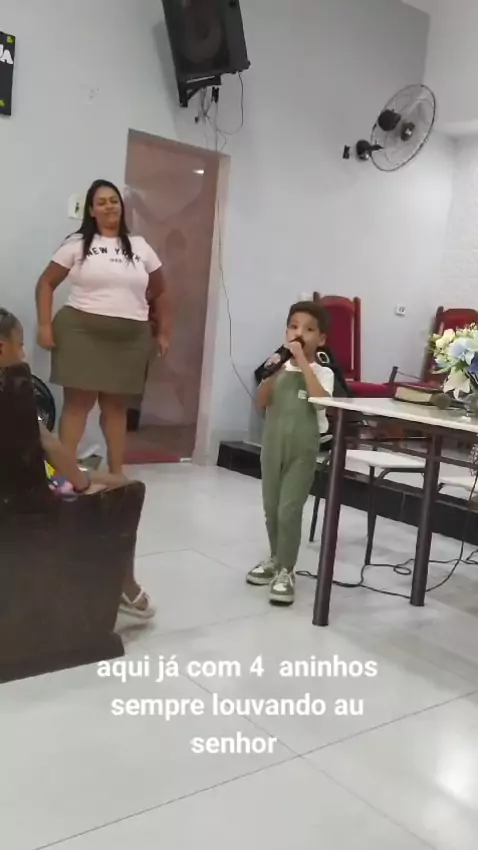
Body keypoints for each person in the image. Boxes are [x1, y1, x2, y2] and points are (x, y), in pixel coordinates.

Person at [0, 307, 154, 619]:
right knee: (124, 487)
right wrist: (82, 484)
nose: (24, 354)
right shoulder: (12, 390)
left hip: (17, 481)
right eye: (21, 345)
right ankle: (123, 585)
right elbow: (49, 445)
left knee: (91, 475)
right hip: (25, 493)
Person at [35, 179, 171, 475]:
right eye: (102, 202)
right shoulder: (76, 244)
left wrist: (163, 332)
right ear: (91, 211)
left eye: (114, 200)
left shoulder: (140, 246)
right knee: (77, 405)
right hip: (81, 332)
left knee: (116, 408)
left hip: (130, 338)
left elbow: (160, 291)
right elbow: (46, 283)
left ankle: (116, 473)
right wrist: (44, 325)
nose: (109, 206)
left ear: (121, 206)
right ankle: (64, 474)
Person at [247, 302, 334, 606]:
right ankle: (274, 558)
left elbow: (320, 402)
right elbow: (260, 402)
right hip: (272, 447)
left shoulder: (322, 373)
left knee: (289, 510)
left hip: (302, 450)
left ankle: (287, 569)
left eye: (309, 330)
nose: (299, 334)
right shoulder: (278, 368)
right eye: (294, 327)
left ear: (321, 339)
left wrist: (303, 364)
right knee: (271, 508)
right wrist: (273, 372)